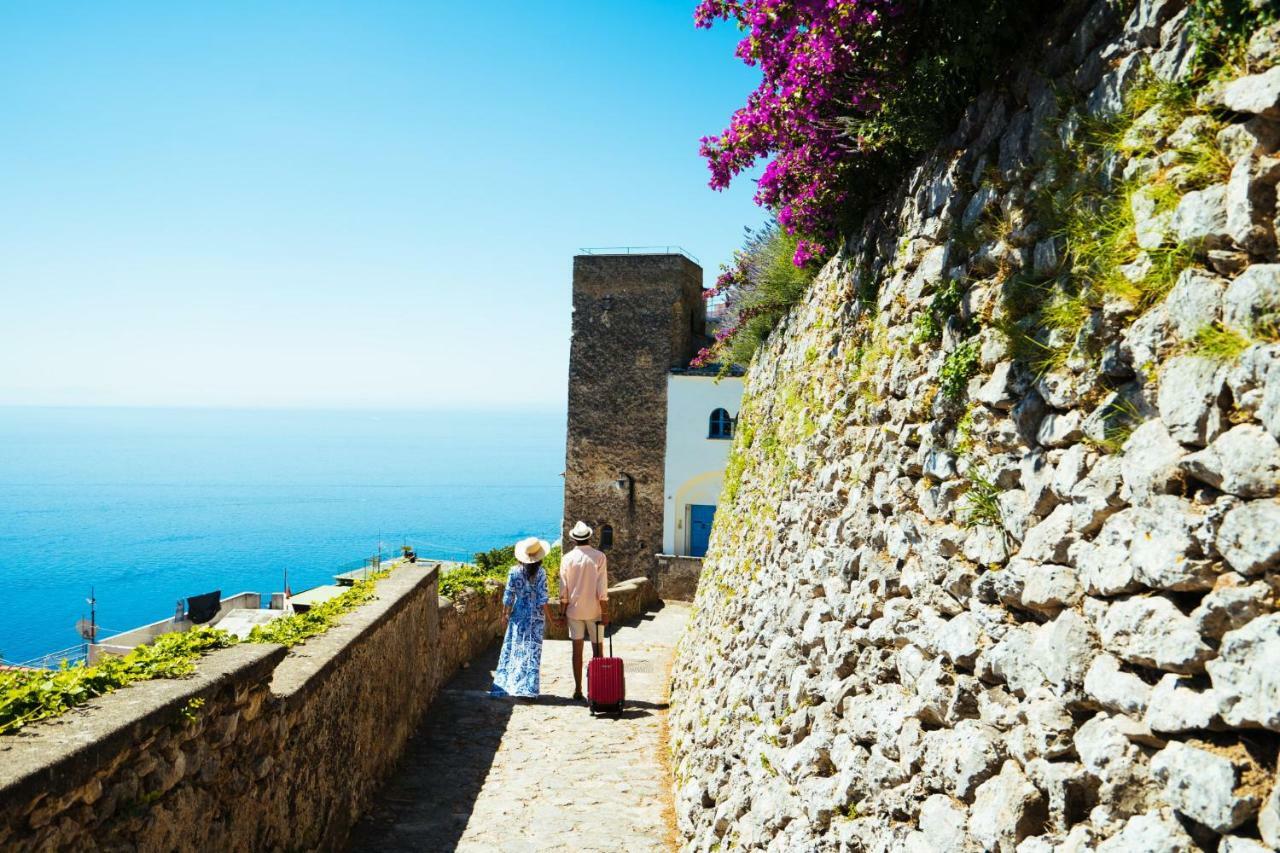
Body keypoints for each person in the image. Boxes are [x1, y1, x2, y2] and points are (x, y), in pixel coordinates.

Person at [490, 536, 559, 698]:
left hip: (518, 615)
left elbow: (508, 596)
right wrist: (551, 619)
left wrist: (505, 614)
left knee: (515, 648)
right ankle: (527, 689)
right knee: (532, 651)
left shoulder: (513, 572)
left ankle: (511, 684)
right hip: (535, 617)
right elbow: (543, 599)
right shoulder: (541, 573)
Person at [559, 520, 609, 701]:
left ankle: (578, 689)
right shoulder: (599, 557)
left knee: (576, 652)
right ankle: (597, 688)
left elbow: (563, 590)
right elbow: (602, 589)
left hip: (574, 611)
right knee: (598, 651)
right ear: (589, 537)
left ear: (574, 539)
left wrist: (562, 612)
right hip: (595, 610)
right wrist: (605, 612)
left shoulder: (567, 559)